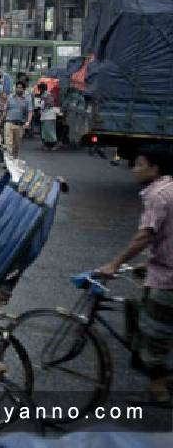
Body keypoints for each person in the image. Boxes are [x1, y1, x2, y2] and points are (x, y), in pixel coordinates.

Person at [96, 145, 173, 402]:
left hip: (167, 279)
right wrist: (148, 263)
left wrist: (114, 263)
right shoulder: (168, 188)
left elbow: (145, 236)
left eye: (140, 164)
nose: (134, 169)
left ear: (155, 168)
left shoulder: (158, 196)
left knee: (155, 335)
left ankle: (159, 390)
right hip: (162, 269)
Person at [1, 81, 32, 159]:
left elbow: (30, 112)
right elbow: (5, 110)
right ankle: (9, 159)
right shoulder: (10, 97)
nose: (18, 89)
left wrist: (28, 122)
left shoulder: (27, 99)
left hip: (19, 124)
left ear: (24, 89)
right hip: (9, 122)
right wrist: (0, 121)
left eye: (20, 88)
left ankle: (15, 158)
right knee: (9, 143)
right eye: (17, 87)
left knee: (17, 144)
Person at [38, 83, 59, 151]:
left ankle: (53, 145)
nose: (39, 90)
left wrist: (40, 110)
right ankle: (49, 145)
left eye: (39, 89)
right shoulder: (50, 94)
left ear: (42, 89)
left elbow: (42, 106)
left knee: (47, 131)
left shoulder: (44, 95)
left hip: (47, 115)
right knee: (50, 131)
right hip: (50, 115)